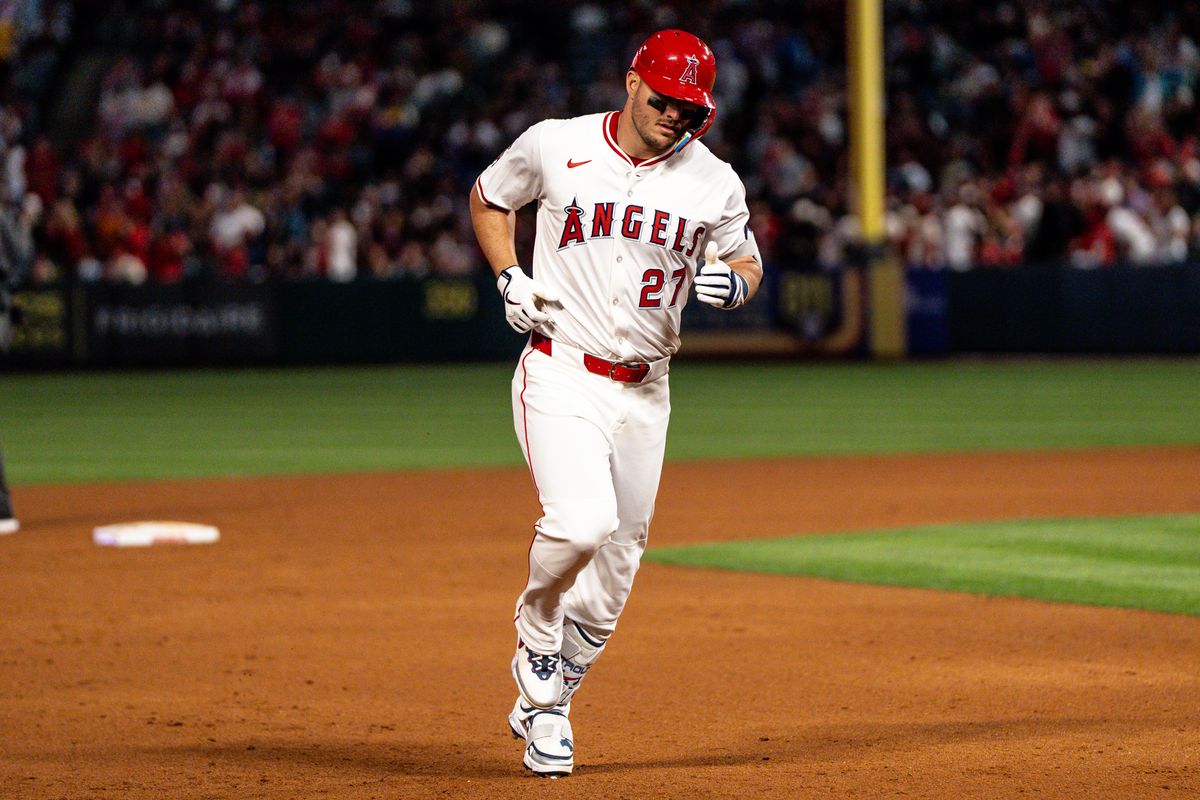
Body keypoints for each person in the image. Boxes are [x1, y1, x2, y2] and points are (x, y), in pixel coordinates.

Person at [469, 29, 762, 777]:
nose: (675, 117)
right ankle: (535, 630)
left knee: (616, 573)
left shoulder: (714, 181)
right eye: (664, 100)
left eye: (691, 108)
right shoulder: (554, 145)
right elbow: (488, 198)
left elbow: (745, 257)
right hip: (562, 368)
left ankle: (549, 712)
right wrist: (508, 276)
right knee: (582, 524)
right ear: (632, 83)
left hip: (648, 390)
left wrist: (737, 282)